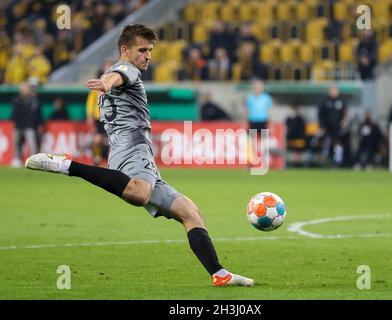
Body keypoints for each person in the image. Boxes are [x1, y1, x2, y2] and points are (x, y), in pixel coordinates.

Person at [25, 24, 253, 287]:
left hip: (140, 155)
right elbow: (120, 75)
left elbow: (114, 78)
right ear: (125, 50)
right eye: (142, 50)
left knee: (191, 212)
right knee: (139, 193)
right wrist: (107, 82)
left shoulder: (116, 73)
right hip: (131, 149)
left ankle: (219, 273)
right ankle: (67, 165)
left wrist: (106, 81)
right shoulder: (126, 70)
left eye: (151, 50)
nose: (148, 56)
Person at [318, 85, 352, 167]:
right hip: (327, 128)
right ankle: (326, 161)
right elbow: (321, 115)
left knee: (338, 145)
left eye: (335, 90)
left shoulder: (341, 102)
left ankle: (338, 161)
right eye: (332, 90)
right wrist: (322, 126)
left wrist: (344, 123)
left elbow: (346, 114)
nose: (333, 92)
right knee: (327, 144)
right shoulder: (325, 102)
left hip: (338, 129)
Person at [11, 82, 42, 167]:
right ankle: (17, 159)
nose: (24, 91)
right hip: (19, 125)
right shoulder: (16, 99)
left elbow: (35, 113)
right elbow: (15, 112)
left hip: (29, 125)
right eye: (22, 89)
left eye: (25, 89)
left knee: (32, 144)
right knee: (17, 143)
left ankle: (35, 161)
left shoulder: (33, 99)